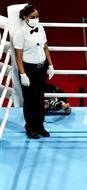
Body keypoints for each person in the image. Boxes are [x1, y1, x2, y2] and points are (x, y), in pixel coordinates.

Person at [13, 4, 54, 139]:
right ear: (25, 18)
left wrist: (50, 65)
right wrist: (23, 74)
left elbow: (46, 47)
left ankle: (40, 127)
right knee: (30, 100)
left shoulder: (41, 28)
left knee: (40, 98)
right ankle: (30, 128)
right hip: (28, 70)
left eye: (37, 16)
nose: (36, 19)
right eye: (32, 17)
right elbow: (18, 55)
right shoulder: (20, 34)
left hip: (41, 68)